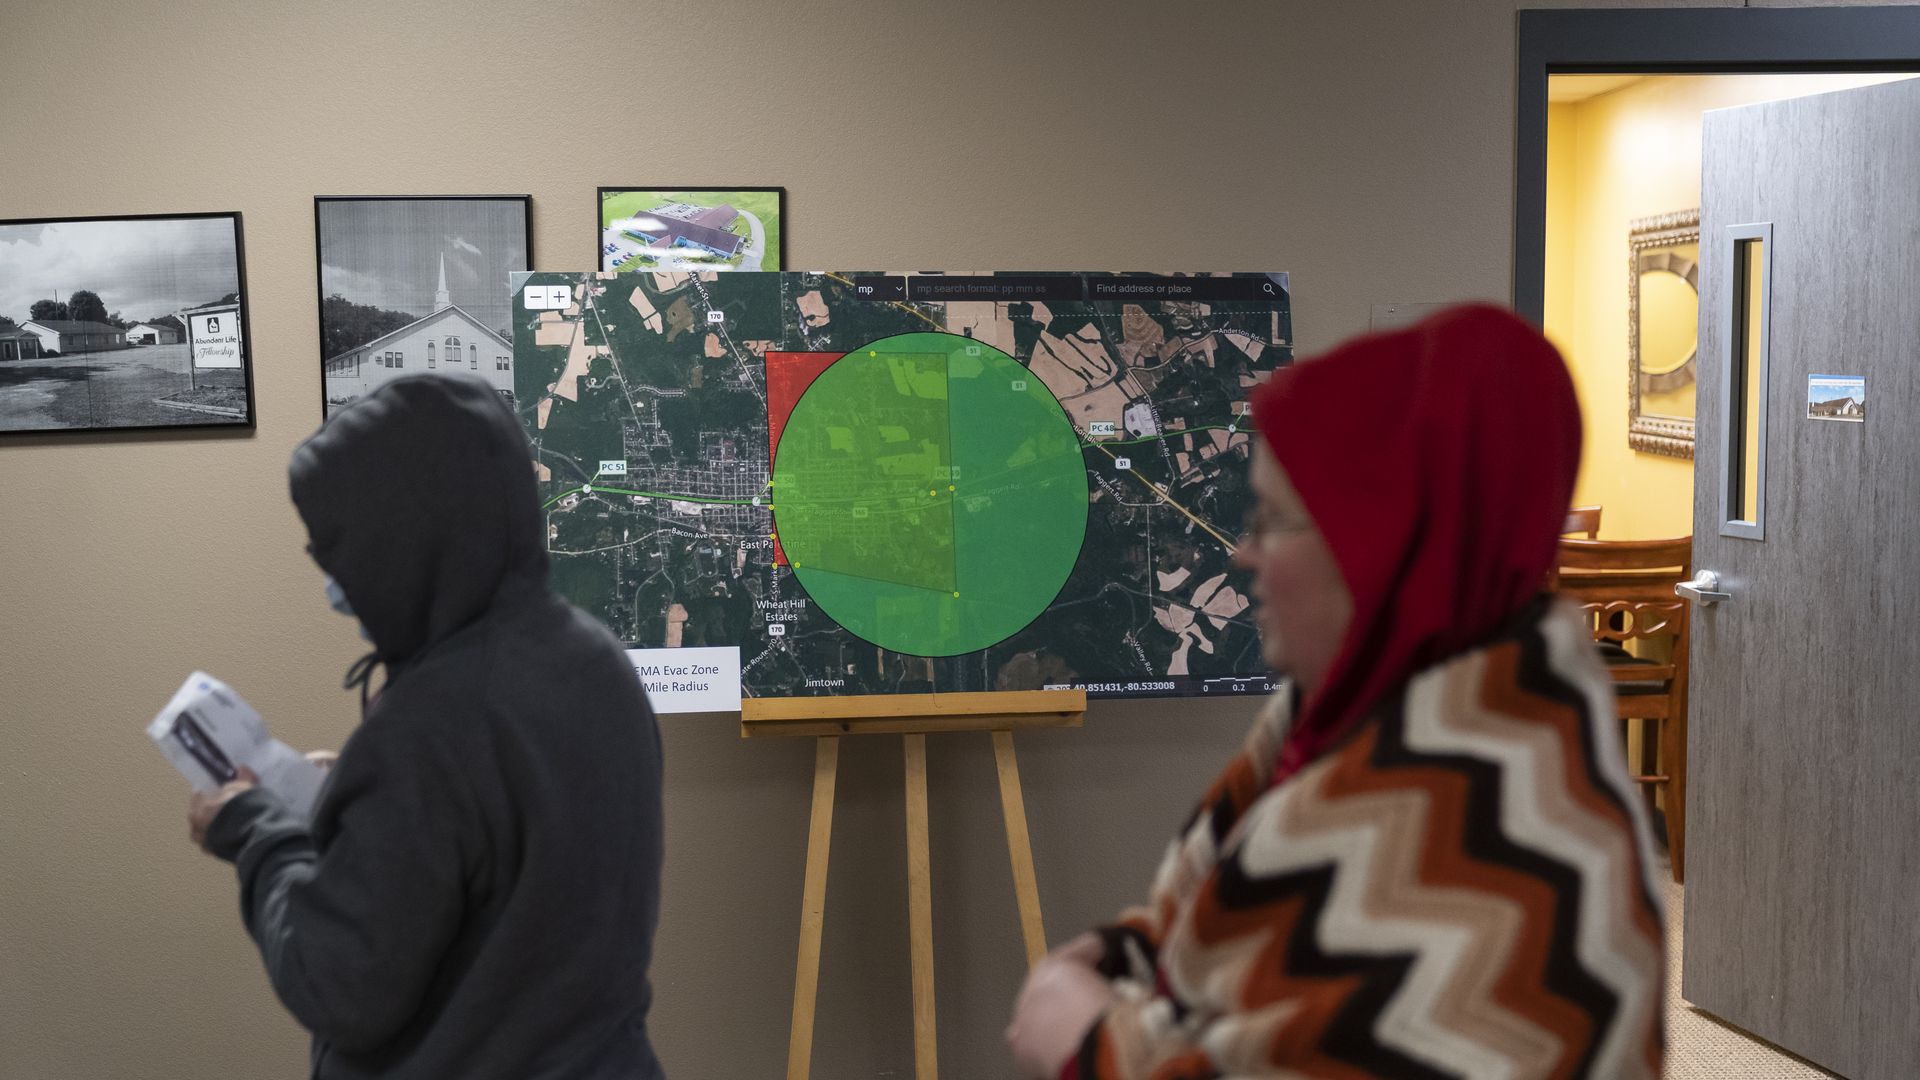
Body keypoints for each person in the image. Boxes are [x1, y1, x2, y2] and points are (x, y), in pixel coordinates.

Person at [1007, 305, 1666, 1079]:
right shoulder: (1336, 723)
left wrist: (1094, 1046)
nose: (1245, 554)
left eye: (1274, 521)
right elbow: (1217, 937)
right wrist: (1124, 955)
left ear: (1379, 553)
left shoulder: (1520, 863)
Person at [187, 375, 666, 1080]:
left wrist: (252, 828)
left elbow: (339, 983)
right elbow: (503, 855)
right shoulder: (594, 659)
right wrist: (352, 798)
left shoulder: (429, 727)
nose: (324, 567)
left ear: (398, 540)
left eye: (336, 545)